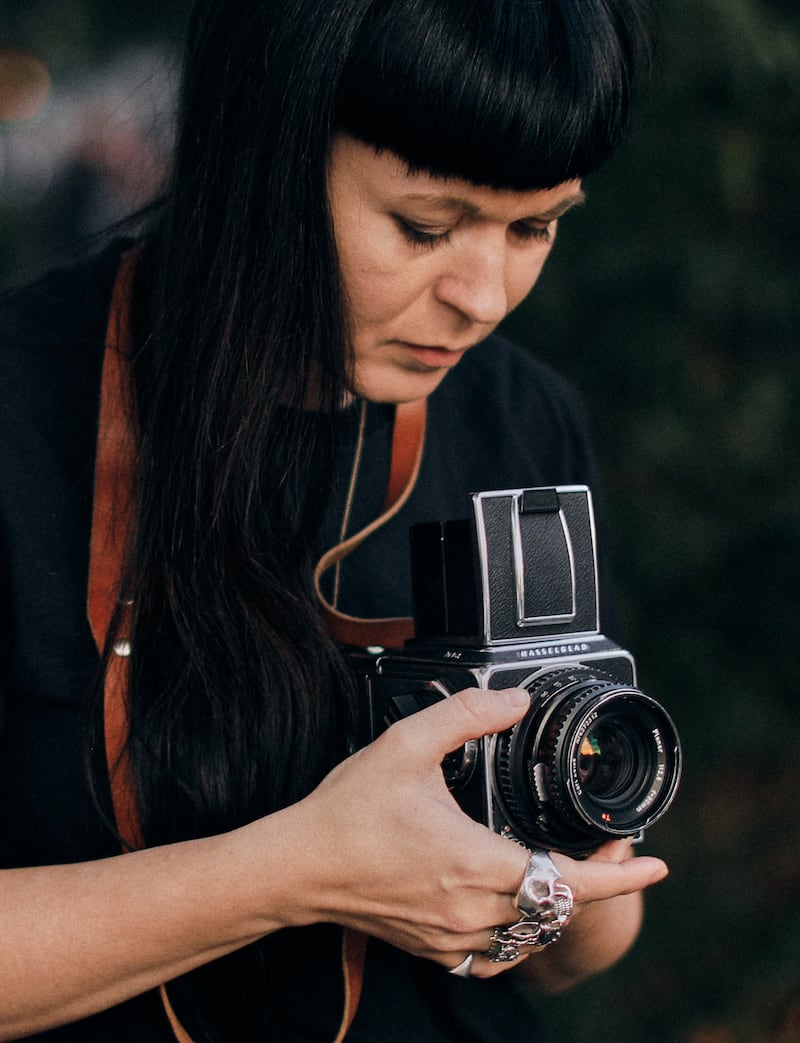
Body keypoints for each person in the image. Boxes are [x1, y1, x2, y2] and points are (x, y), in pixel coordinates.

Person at [0, 0, 669, 1040]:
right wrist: (299, 871)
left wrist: (563, 859)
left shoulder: (518, 414)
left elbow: (583, 946)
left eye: (534, 225)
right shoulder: (24, 406)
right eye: (425, 226)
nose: (482, 295)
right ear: (260, 154)